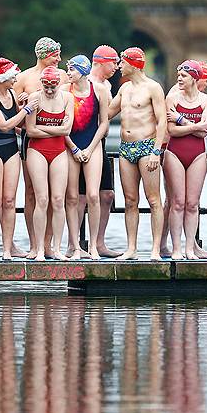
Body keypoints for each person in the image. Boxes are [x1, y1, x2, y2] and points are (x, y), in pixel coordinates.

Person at [109, 47, 166, 260]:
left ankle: (155, 249)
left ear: (133, 64)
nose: (119, 67)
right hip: (126, 148)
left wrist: (156, 151)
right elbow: (107, 112)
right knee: (130, 200)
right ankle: (131, 248)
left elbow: (162, 122)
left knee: (153, 200)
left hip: (147, 146)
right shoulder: (124, 89)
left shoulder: (153, 88)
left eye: (122, 63)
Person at [0, 57, 39, 261]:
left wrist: (22, 105)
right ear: (3, 76)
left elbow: (18, 126)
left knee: (9, 201)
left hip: (11, 148)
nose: (16, 79)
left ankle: (7, 250)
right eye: (13, 75)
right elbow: (4, 125)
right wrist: (26, 109)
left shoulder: (13, 94)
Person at [14, 36, 66, 258]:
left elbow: (67, 104)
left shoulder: (62, 76)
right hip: (30, 138)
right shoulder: (24, 77)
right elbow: (12, 113)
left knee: (56, 195)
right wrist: (20, 103)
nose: (59, 59)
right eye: (55, 55)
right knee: (32, 193)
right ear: (43, 55)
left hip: (56, 141)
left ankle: (49, 244)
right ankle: (34, 244)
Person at [162, 60, 207, 259]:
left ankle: (190, 249)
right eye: (178, 76)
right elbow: (172, 131)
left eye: (183, 76)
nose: (179, 79)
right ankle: (176, 249)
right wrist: (194, 126)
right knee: (177, 202)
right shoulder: (173, 98)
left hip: (197, 154)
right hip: (174, 152)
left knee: (192, 203)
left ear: (194, 78)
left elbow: (204, 133)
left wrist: (182, 120)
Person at [63, 54, 109, 260]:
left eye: (72, 69)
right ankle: (74, 246)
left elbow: (104, 123)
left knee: (92, 195)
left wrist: (90, 148)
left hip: (92, 144)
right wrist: (73, 148)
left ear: (82, 71)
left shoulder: (99, 90)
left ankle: (93, 247)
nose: (68, 73)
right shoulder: (65, 92)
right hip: (70, 145)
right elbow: (61, 124)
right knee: (72, 197)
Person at [26, 66, 73, 261]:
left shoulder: (67, 98)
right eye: (46, 86)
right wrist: (57, 129)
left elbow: (67, 130)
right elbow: (30, 131)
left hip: (59, 151)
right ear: (42, 84)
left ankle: (57, 248)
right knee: (42, 199)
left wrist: (42, 128)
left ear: (59, 84)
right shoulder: (34, 99)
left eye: (53, 86)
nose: (50, 90)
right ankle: (38, 249)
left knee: (58, 200)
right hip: (36, 150)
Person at [79, 44, 120, 258]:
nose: (117, 66)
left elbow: (107, 115)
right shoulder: (85, 82)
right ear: (100, 62)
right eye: (113, 62)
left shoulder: (107, 86)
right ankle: (76, 244)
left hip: (99, 144)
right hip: (81, 142)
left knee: (107, 195)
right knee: (80, 196)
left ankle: (99, 243)